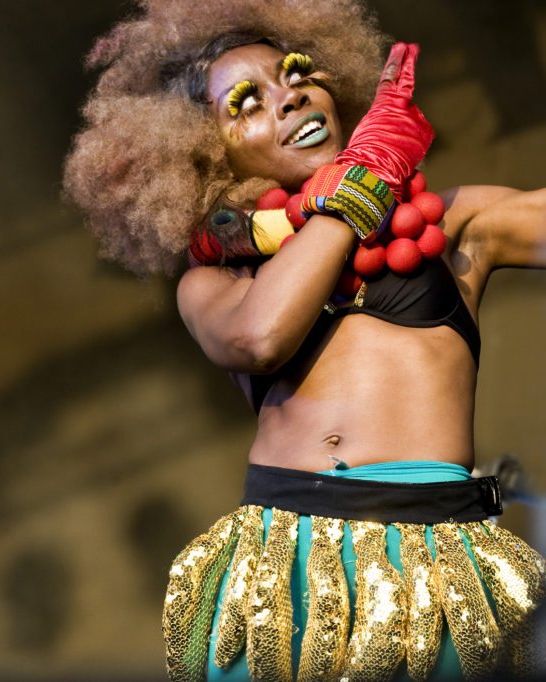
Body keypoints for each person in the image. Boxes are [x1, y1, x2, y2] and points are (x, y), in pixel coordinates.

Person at [64, 1, 546, 680]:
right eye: (246, 103)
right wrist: (364, 180)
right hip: (284, 581)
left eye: (295, 73)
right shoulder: (215, 284)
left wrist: (368, 183)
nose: (288, 95)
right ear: (208, 157)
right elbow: (261, 338)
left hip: (442, 572)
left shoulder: (458, 222)